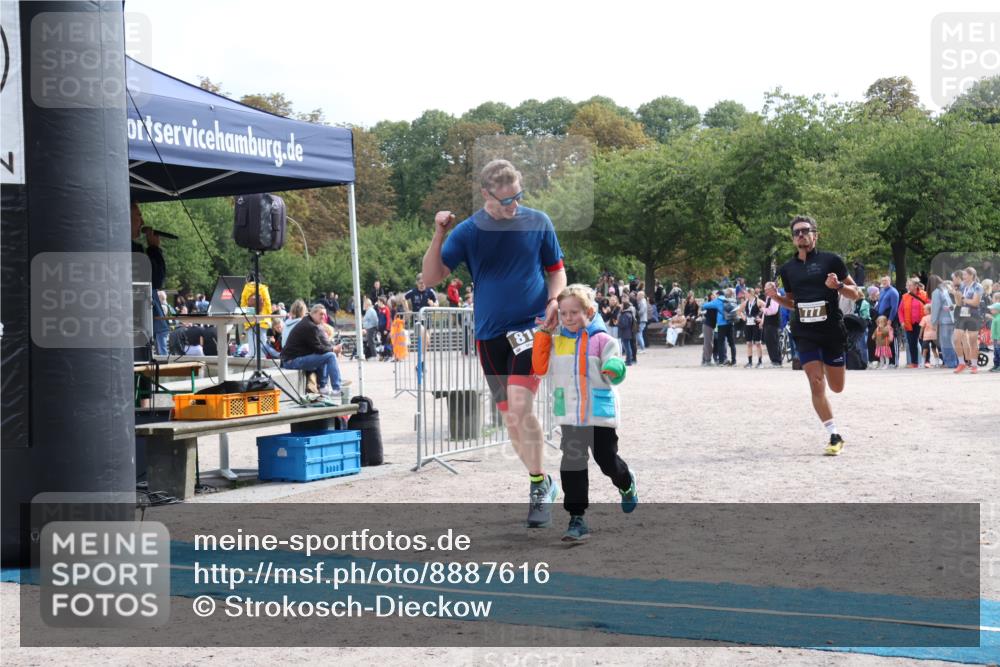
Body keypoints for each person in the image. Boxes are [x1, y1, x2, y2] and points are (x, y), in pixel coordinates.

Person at [423, 158, 567, 528]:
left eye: (518, 196)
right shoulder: (469, 232)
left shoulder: (538, 222)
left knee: (521, 404)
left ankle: (537, 489)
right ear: (487, 194)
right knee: (511, 418)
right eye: (506, 200)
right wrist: (439, 234)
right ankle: (542, 480)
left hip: (531, 328)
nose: (514, 204)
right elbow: (431, 277)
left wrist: (554, 301)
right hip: (489, 336)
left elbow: (556, 272)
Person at [531, 284, 637, 542]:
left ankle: (625, 481)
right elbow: (540, 368)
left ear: (588, 312)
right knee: (572, 464)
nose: (568, 318)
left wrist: (613, 368)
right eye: (564, 313)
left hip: (599, 415)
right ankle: (577, 518)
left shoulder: (602, 339)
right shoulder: (556, 342)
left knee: (606, 460)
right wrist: (544, 334)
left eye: (574, 313)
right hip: (569, 415)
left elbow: (617, 362)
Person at [765, 215, 861, 456]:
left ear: (815, 235)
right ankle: (834, 434)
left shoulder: (832, 261)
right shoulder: (788, 269)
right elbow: (792, 302)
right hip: (805, 332)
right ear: (793, 239)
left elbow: (856, 293)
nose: (801, 235)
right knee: (816, 382)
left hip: (831, 332)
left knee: (837, 387)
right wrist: (776, 297)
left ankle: (829, 367)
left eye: (805, 231)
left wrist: (838, 287)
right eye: (797, 232)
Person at [130, 202, 169, 354]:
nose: (143, 221)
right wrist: (154, 248)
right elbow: (156, 279)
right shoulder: (132, 250)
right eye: (139, 215)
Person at [281, 303, 344, 397]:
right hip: (291, 361)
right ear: (313, 313)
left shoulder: (309, 323)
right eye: (321, 314)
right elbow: (318, 348)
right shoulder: (310, 326)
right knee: (330, 356)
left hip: (291, 359)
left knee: (327, 355)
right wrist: (333, 349)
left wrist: (332, 348)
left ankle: (323, 387)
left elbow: (321, 347)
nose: (323, 317)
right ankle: (336, 388)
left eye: (324, 314)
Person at [953, 266, 984, 374]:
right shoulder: (962, 286)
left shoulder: (978, 286)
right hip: (962, 314)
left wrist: (962, 298)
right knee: (956, 339)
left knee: (972, 340)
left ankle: (974, 365)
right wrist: (956, 295)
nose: (963, 277)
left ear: (971, 275)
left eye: (965, 275)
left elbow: (975, 303)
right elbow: (959, 304)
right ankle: (962, 363)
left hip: (974, 315)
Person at [898, 278, 929, 368]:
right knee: (912, 343)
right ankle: (914, 362)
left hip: (922, 323)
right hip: (909, 323)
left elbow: (930, 306)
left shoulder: (924, 294)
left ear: (916, 286)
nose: (907, 287)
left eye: (909, 285)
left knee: (924, 342)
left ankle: (926, 361)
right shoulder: (905, 296)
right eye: (907, 285)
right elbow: (900, 311)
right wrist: (902, 321)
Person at [239, 279, 274, 359]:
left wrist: (247, 313)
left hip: (250, 317)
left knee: (251, 338)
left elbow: (243, 303)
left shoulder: (246, 288)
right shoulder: (263, 288)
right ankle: (262, 356)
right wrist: (268, 315)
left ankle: (252, 355)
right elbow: (268, 303)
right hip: (262, 318)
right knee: (262, 338)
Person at [929, 274, 958, 368]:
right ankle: (955, 361)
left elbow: (935, 308)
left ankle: (950, 363)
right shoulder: (945, 290)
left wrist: (933, 322)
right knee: (951, 342)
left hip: (944, 321)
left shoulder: (936, 292)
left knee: (945, 343)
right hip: (952, 319)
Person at [876, 276, 900, 368]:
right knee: (884, 340)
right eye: (883, 281)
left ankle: (895, 362)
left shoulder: (893, 292)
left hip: (890, 317)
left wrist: (890, 319)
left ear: (889, 281)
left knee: (892, 339)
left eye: (886, 281)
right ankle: (888, 361)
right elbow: (879, 304)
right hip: (882, 318)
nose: (884, 282)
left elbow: (894, 307)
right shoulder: (882, 291)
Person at [761, 283, 783, 367]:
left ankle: (777, 361)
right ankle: (773, 360)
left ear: (772, 288)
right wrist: (762, 320)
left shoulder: (775, 296)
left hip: (773, 323)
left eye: (766, 289)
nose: (765, 290)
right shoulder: (769, 297)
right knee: (769, 341)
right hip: (768, 322)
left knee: (773, 341)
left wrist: (764, 309)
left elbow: (773, 310)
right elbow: (767, 308)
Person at [742, 287, 764, 367]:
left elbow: (766, 309)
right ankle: (750, 362)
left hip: (756, 324)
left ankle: (760, 362)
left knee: (758, 343)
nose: (744, 295)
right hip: (748, 324)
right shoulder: (746, 302)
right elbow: (739, 311)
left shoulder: (758, 301)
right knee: (748, 343)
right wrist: (743, 316)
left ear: (750, 293)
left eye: (745, 293)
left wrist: (761, 319)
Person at [917, 303, 940, 368]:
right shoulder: (935, 317)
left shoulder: (924, 318)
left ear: (928, 311)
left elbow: (922, 327)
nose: (923, 311)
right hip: (934, 336)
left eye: (924, 310)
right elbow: (937, 326)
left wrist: (920, 335)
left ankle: (922, 363)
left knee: (924, 350)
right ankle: (937, 363)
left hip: (926, 336)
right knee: (934, 349)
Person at [617, 297, 637, 366]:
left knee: (627, 347)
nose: (620, 306)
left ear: (624, 307)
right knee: (627, 347)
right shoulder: (627, 314)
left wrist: (618, 323)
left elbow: (624, 324)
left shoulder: (625, 314)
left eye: (621, 305)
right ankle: (628, 360)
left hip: (625, 333)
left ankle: (629, 361)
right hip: (627, 333)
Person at [989, 297, 1000, 373]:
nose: (991, 310)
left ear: (997, 310)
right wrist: (992, 337)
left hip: (998, 339)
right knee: (995, 352)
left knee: (998, 352)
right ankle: (996, 365)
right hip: (995, 338)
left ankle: (998, 366)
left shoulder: (998, 319)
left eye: (992, 309)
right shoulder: (995, 317)